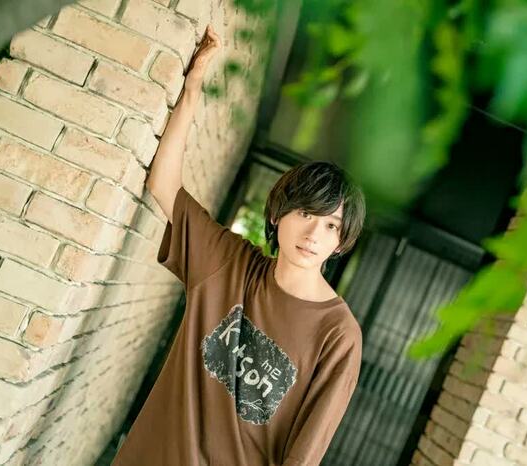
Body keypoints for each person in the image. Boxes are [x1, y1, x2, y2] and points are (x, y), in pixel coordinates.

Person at [111, 24, 366, 466]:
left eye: (331, 226)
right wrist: (192, 87)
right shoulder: (227, 263)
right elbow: (164, 184)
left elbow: (305, 455)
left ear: (341, 242)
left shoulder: (338, 334)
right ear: (278, 214)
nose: (313, 235)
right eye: (306, 214)